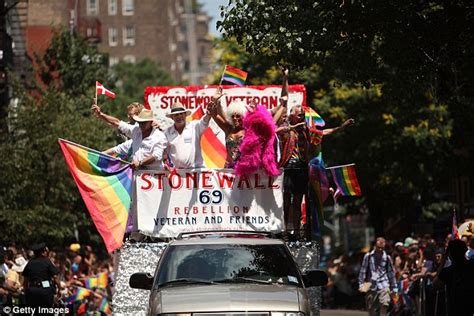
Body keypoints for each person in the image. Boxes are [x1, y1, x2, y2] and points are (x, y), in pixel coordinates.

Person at [279, 102, 354, 238]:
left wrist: (341, 127)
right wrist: (295, 127)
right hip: (289, 166)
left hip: (302, 167)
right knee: (286, 200)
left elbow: (323, 132)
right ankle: (285, 230)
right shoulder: (286, 126)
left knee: (297, 200)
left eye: (303, 115)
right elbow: (276, 132)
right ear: (292, 115)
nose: (302, 117)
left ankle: (296, 231)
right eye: (299, 114)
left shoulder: (307, 130)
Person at [164, 95, 217, 168]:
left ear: (185, 115)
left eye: (181, 114)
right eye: (176, 115)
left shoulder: (194, 126)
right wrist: (165, 164)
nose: (179, 116)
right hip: (177, 174)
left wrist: (208, 114)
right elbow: (164, 152)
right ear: (172, 117)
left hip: (196, 172)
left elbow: (204, 122)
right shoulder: (167, 132)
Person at [358, 237, 398, 316]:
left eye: (382, 248)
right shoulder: (368, 256)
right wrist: (361, 284)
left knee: (384, 304)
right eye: (378, 247)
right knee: (371, 308)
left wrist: (394, 287)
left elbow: (391, 273)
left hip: (384, 284)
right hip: (371, 285)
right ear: (375, 246)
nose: (380, 249)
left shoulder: (387, 258)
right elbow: (363, 271)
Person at [434, 239, 474, 316]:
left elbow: (435, 284)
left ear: (450, 254)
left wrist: (443, 261)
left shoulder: (448, 271)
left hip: (455, 308)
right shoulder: (472, 265)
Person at [209, 96, 246, 168]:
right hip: (228, 168)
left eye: (238, 116)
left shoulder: (248, 131)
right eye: (233, 116)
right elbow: (214, 115)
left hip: (244, 169)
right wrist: (215, 99)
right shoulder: (228, 129)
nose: (235, 118)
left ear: (243, 116)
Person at [22, 243, 61, 309]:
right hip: (45, 291)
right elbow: (55, 277)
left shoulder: (30, 263)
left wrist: (27, 292)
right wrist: (59, 289)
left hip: (32, 291)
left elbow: (25, 281)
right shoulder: (47, 262)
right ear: (43, 252)